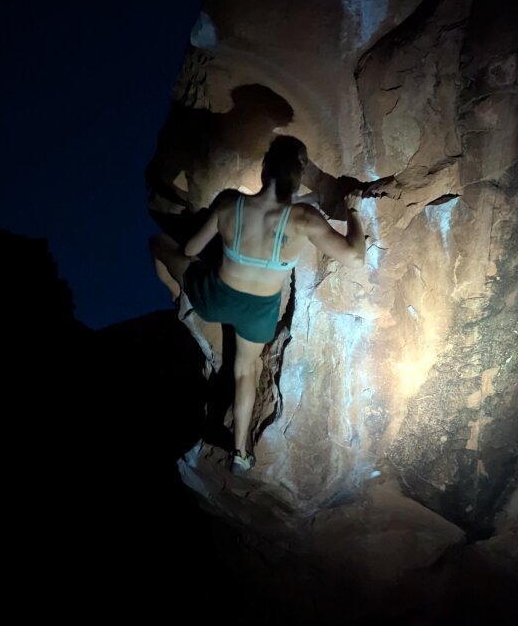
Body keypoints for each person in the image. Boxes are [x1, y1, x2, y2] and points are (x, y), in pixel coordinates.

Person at [150, 135, 366, 473]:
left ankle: (184, 304)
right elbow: (355, 257)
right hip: (259, 312)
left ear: (265, 168)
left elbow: (190, 250)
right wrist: (353, 210)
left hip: (216, 298)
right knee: (244, 371)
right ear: (298, 173)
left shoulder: (229, 203)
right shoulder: (304, 218)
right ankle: (240, 453)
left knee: (160, 243)